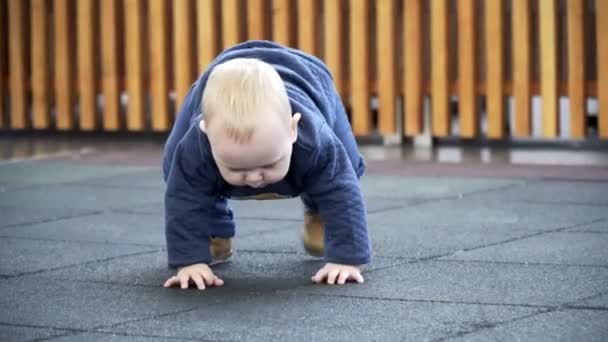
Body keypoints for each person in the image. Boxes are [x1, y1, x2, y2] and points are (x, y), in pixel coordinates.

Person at [161, 40, 371, 290]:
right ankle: (213, 229)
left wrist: (347, 259)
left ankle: (319, 214)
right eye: (237, 168)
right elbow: (183, 197)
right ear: (205, 135)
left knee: (346, 164)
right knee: (176, 166)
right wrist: (190, 261)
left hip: (309, 77)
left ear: (292, 130)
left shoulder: (315, 139)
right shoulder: (197, 144)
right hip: (211, 83)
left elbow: (342, 191)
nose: (254, 179)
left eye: (269, 164)